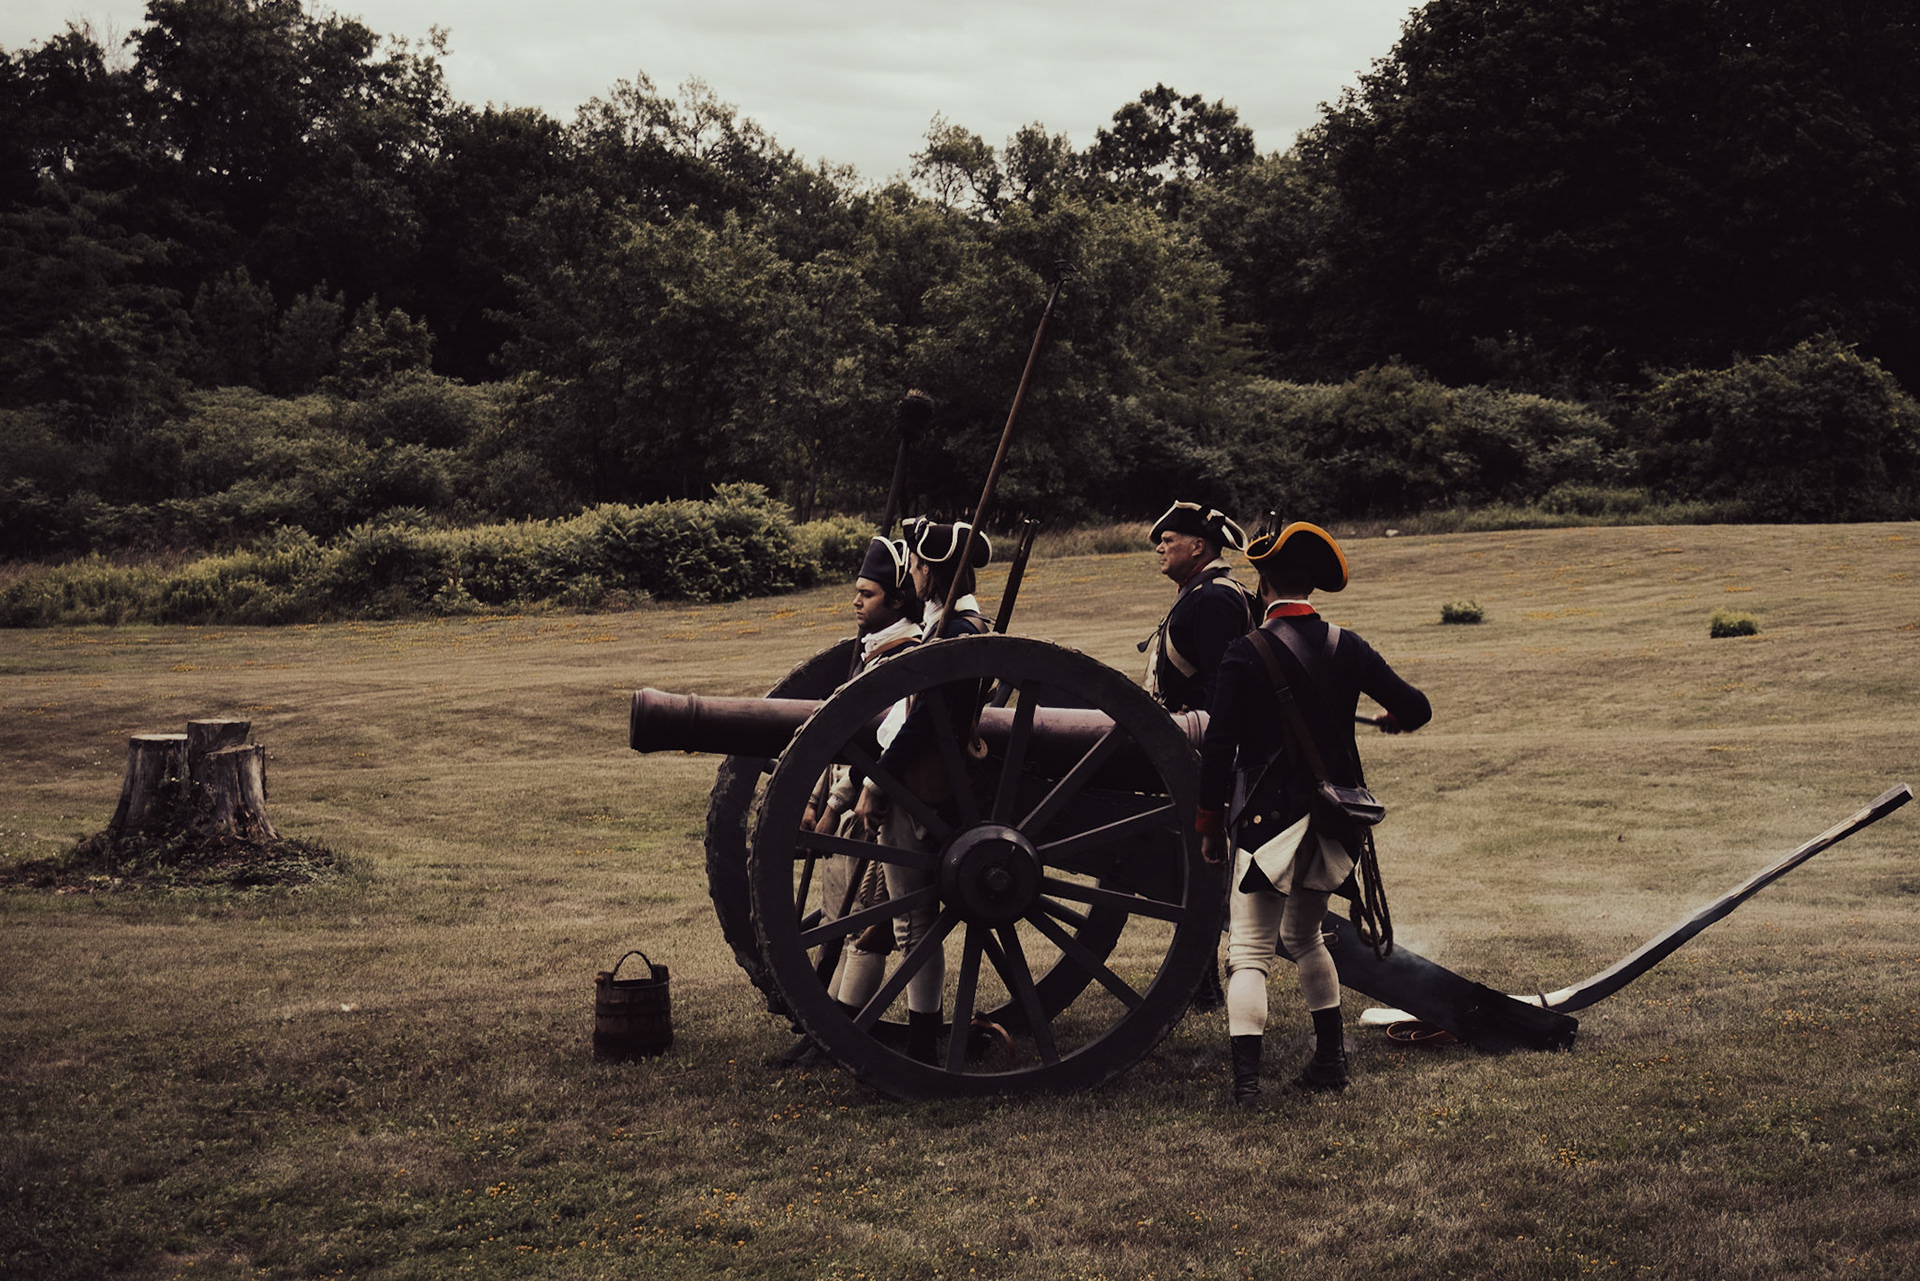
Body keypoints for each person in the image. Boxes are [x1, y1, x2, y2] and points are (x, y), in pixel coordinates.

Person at [1196, 521, 1432, 1103]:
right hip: (1333, 822)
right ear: (1311, 586)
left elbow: (1218, 750)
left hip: (1267, 822)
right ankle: (1328, 1063)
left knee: (1250, 950)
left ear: (1262, 582)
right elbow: (1416, 707)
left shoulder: (1243, 652)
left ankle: (1247, 1086)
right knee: (1305, 937)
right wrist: (1396, 718)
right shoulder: (1346, 646)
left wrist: (1208, 824)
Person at [776, 536, 921, 1068]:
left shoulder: (906, 656)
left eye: (868, 593)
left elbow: (884, 743)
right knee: (841, 917)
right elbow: (839, 734)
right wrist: (822, 798)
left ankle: (835, 1036)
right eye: (857, 592)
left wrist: (845, 800)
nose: (856, 602)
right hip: (850, 803)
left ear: (897, 601)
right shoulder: (871, 652)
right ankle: (826, 1029)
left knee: (865, 925)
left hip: (874, 807)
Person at [853, 517, 993, 1062]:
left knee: (914, 921)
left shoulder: (957, 635)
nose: (909, 573)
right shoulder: (955, 627)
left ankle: (922, 1045)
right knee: (912, 922)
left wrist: (876, 781)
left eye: (915, 564)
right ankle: (919, 1037)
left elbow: (926, 721)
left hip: (920, 787)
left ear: (933, 571)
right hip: (924, 781)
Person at [1141, 500, 1257, 1012]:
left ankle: (1205, 982)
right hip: (1188, 745)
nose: (1162, 545)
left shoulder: (1213, 600)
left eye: (1171, 539)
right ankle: (1203, 978)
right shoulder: (1201, 595)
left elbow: (1223, 693)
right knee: (1188, 866)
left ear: (1199, 547)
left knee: (1203, 868)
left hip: (1204, 748)